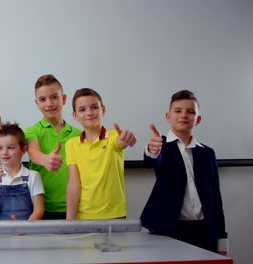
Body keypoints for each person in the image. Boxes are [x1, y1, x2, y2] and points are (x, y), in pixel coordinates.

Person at [140, 90, 228, 254]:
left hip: (204, 230)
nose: (184, 115)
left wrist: (221, 239)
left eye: (191, 111)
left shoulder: (207, 153)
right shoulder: (161, 146)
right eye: (178, 111)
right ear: (168, 117)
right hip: (170, 230)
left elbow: (216, 198)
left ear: (198, 119)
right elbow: (152, 161)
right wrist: (152, 150)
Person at [65, 88, 137, 220]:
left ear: (102, 110)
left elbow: (120, 142)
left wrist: (126, 138)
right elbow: (74, 183)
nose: (89, 113)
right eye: (82, 109)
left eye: (94, 107)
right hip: (84, 215)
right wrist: (69, 220)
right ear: (75, 115)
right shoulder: (71, 144)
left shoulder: (114, 136)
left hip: (114, 215)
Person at [25, 74, 81, 219]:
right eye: (42, 100)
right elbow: (33, 151)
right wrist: (45, 159)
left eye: (54, 97)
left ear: (64, 99)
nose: (49, 104)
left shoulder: (79, 135)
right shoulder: (32, 131)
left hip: (75, 208)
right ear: (36, 103)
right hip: (41, 209)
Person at [0, 122, 45, 220]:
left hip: (27, 233)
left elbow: (39, 210)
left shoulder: (33, 176)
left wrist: (23, 228)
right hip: (0, 233)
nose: (4, 152)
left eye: (10, 148)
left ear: (23, 149)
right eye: (0, 148)